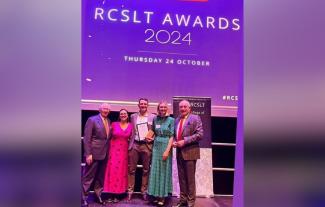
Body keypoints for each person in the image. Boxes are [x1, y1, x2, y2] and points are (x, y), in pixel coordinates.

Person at [173, 100, 203, 207]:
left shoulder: (195, 118)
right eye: (181, 107)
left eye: (185, 107)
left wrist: (184, 141)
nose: (183, 109)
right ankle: (183, 200)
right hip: (179, 152)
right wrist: (174, 142)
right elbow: (175, 134)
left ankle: (191, 202)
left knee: (190, 179)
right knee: (181, 178)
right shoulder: (176, 120)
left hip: (190, 152)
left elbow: (200, 134)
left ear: (189, 108)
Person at [82, 103, 111, 206]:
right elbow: (87, 138)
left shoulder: (108, 121)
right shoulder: (92, 120)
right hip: (93, 154)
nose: (106, 110)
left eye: (107, 109)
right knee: (88, 177)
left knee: (100, 177)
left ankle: (98, 195)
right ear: (100, 109)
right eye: (104, 108)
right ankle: (83, 198)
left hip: (104, 154)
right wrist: (88, 154)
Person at [127, 98, 156, 201]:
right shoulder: (133, 116)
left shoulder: (153, 117)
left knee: (146, 170)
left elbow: (155, 131)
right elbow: (131, 131)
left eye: (145, 104)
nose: (143, 105)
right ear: (138, 105)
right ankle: (130, 191)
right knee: (131, 169)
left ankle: (144, 191)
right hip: (134, 144)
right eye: (141, 104)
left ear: (147, 105)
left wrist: (152, 138)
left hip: (146, 145)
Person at [148, 101, 174, 206]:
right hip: (156, 146)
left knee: (163, 171)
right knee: (155, 170)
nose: (162, 109)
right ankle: (156, 195)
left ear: (167, 109)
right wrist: (149, 138)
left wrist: (167, 150)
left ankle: (162, 197)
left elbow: (172, 136)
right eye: (161, 107)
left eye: (164, 107)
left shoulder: (171, 120)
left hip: (165, 145)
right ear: (158, 109)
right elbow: (153, 131)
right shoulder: (155, 119)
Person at [103, 109, 132, 203]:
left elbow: (132, 139)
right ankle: (110, 193)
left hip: (124, 152)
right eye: (121, 114)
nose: (123, 115)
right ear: (119, 115)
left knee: (120, 172)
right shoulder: (114, 124)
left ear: (128, 115)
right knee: (112, 171)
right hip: (113, 151)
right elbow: (108, 137)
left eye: (125, 114)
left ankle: (118, 194)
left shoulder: (131, 126)